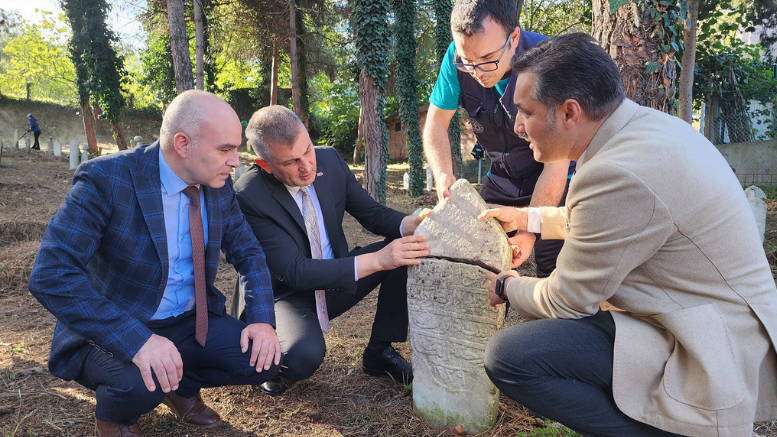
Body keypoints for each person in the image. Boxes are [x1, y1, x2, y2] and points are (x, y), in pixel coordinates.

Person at [478, 33, 777, 437]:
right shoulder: (643, 130)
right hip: (709, 318)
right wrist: (528, 218)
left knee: (512, 357)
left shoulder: (615, 172)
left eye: (525, 112)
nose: (516, 126)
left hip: (709, 347)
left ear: (569, 113)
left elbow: (566, 302)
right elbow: (612, 221)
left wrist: (507, 285)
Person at [28, 90, 282, 437]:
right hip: (116, 324)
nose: (236, 161)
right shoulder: (107, 180)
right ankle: (116, 416)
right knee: (138, 385)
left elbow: (249, 253)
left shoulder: (218, 186)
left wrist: (262, 320)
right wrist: (137, 341)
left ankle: (178, 386)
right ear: (183, 144)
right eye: (226, 149)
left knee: (263, 360)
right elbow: (51, 274)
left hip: (189, 322)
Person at [231, 105, 429, 396]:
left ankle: (378, 352)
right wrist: (377, 260)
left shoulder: (330, 159)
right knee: (303, 356)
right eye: (291, 162)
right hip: (284, 295)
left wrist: (409, 224)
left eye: (307, 150)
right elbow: (294, 272)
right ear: (265, 165)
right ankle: (267, 359)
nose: (307, 167)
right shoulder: (249, 194)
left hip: (333, 281)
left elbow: (371, 213)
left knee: (403, 252)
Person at [423, 0, 573, 278]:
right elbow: (436, 122)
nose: (477, 71)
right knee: (474, 254)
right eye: (467, 61)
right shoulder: (458, 57)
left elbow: (557, 164)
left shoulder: (551, 62)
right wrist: (443, 173)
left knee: (554, 269)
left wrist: (529, 229)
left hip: (556, 178)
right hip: (502, 177)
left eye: (487, 58)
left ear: (513, 38)